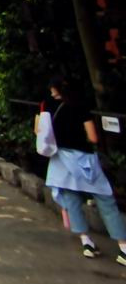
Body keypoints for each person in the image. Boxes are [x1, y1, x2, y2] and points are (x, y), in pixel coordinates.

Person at [38, 77, 126, 265]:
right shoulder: (79, 105)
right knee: (106, 202)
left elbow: (39, 131)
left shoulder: (46, 106)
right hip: (83, 159)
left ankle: (86, 242)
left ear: (54, 88)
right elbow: (93, 137)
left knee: (71, 202)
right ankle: (123, 247)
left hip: (61, 160)